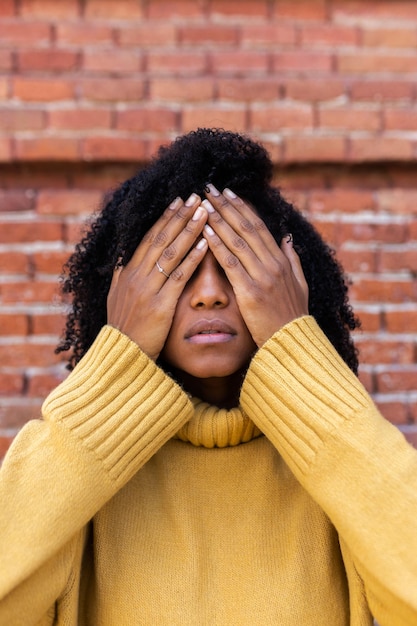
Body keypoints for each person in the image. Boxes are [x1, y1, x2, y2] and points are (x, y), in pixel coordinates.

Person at [0, 128, 416, 625]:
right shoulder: (82, 483)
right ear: (125, 291)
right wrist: (115, 365)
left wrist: (301, 353)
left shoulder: (338, 474)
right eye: (177, 267)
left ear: (289, 280)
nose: (210, 294)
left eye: (237, 264)